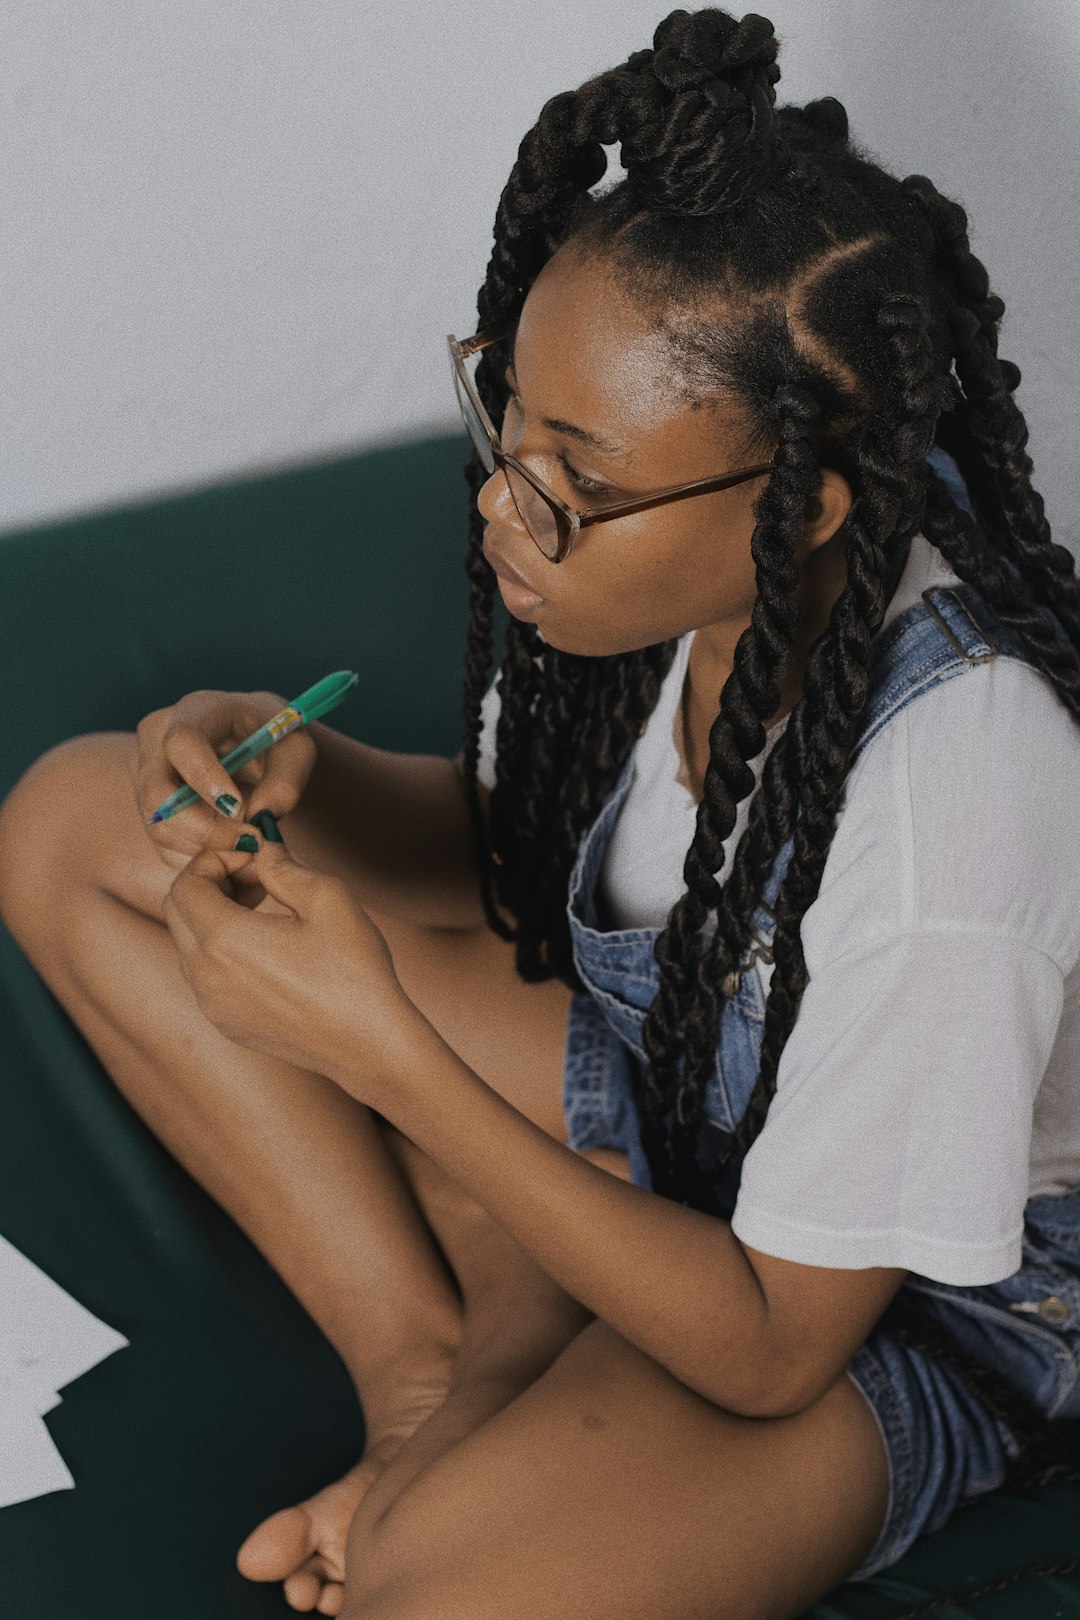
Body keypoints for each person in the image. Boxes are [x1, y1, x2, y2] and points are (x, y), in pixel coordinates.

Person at [1, 7, 1078, 1617]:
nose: (506, 505)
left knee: (446, 1589)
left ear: (807, 507)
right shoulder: (656, 602)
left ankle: (493, 1376)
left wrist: (382, 1050)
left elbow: (781, 1344)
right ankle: (426, 1377)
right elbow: (523, 844)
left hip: (890, 1307)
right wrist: (306, 781)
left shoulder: (956, 799)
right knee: (81, 824)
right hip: (693, 1103)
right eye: (506, 420)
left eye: (573, 477)